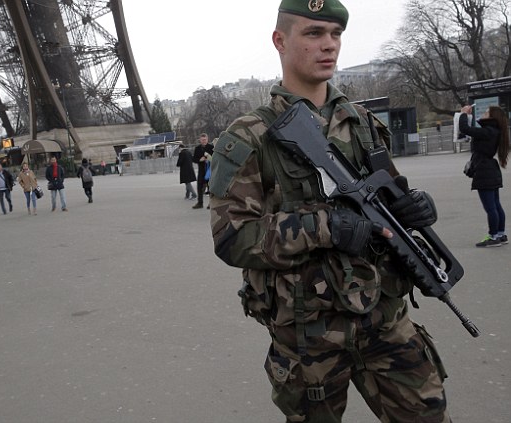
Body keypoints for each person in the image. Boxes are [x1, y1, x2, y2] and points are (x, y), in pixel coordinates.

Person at [209, 1, 449, 421]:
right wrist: (324, 227)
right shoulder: (249, 136)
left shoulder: (362, 122)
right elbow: (233, 238)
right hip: (307, 337)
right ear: (280, 41)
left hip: (385, 319)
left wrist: (413, 208)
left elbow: (387, 196)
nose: (329, 46)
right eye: (314, 33)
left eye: (335, 35)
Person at [459, 104, 509, 247]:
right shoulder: (493, 131)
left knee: (490, 208)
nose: (483, 113)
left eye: (486, 112)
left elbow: (465, 129)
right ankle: (500, 234)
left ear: (492, 117)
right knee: (496, 205)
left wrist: (463, 114)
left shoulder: (488, 131)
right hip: (491, 170)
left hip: (484, 172)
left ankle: (493, 237)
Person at [192, 133, 214, 209]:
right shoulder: (197, 148)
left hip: (209, 170)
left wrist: (209, 160)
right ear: (200, 140)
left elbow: (215, 158)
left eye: (205, 140)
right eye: (202, 140)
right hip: (201, 171)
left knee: (210, 188)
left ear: (207, 139)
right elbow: (194, 159)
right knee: (199, 187)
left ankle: (211, 203)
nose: (204, 141)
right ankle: (200, 203)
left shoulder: (211, 147)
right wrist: (199, 160)